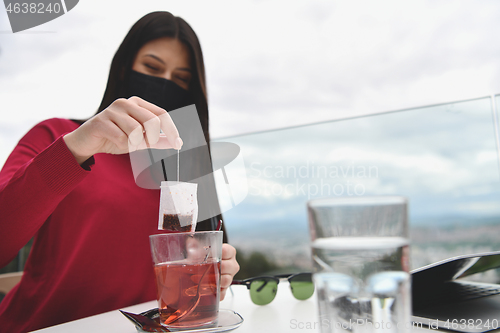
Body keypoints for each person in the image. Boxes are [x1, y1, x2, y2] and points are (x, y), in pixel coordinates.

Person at [0, 11, 239, 332]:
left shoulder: (187, 169)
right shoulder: (57, 137)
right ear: (125, 68)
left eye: (181, 78)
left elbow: (190, 284)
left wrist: (217, 273)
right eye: (153, 68)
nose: (165, 82)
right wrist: (77, 148)